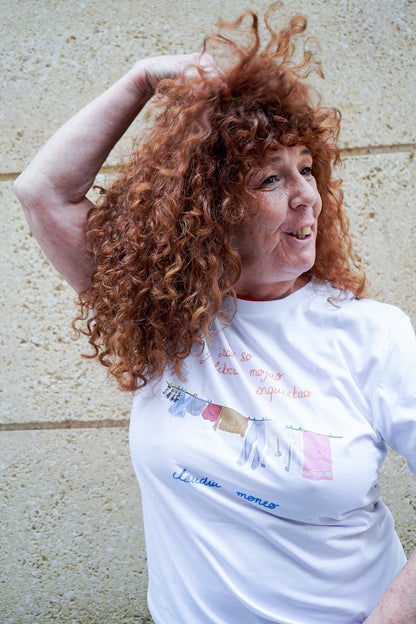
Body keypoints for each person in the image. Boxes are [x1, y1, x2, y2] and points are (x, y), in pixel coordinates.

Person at [14, 6, 416, 624]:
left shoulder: (372, 335)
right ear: (210, 209)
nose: (306, 194)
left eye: (307, 169)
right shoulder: (163, 316)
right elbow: (42, 192)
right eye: (271, 179)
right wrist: (141, 79)